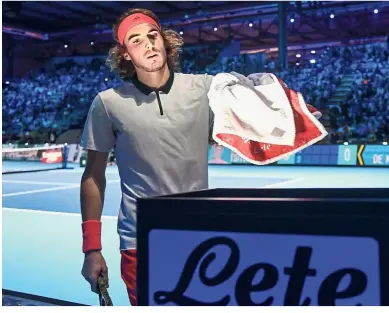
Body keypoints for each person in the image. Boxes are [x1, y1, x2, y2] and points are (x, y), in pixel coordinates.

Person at [79, 8, 317, 306]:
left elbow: (253, 112)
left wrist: (290, 116)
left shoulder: (206, 88)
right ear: (125, 54)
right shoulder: (107, 103)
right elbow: (93, 176)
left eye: (153, 36)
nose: (149, 44)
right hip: (141, 240)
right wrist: (92, 248)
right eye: (136, 40)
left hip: (198, 234)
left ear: (165, 42)